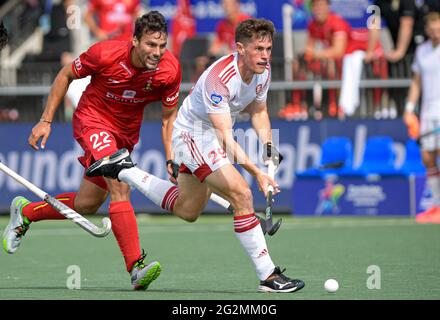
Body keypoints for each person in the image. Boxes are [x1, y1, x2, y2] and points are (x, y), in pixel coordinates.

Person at [86, 18, 305, 293]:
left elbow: (259, 111)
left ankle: (123, 169)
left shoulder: (263, 71)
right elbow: (225, 136)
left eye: (269, 49)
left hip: (209, 136)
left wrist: (268, 146)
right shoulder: (219, 78)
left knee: (187, 210)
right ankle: (269, 276)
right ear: (239, 48)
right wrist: (257, 173)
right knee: (242, 194)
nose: (265, 55)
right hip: (193, 135)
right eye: (259, 49)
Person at [2, 11, 182, 290]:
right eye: (150, 44)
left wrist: (170, 157)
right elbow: (65, 75)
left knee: (87, 204)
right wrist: (46, 120)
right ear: (134, 40)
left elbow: (169, 118)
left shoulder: (169, 70)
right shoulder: (105, 54)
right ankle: (136, 267)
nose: (156, 52)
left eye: (161, 46)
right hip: (93, 121)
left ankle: (26, 212)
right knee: (120, 185)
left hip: (125, 134)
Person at [403, 13, 440, 224]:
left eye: (438, 29)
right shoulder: (422, 51)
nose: (435, 33)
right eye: (431, 29)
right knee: (427, 158)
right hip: (427, 110)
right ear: (427, 30)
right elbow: (416, 82)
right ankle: (437, 205)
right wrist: (409, 109)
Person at [193, 0, 251, 81]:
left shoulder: (247, 23)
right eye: (224, 5)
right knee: (202, 62)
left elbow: (251, 48)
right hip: (229, 61)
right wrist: (207, 57)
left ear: (237, 5)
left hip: (245, 62)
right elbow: (216, 45)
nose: (226, 8)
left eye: (228, 5)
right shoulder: (222, 25)